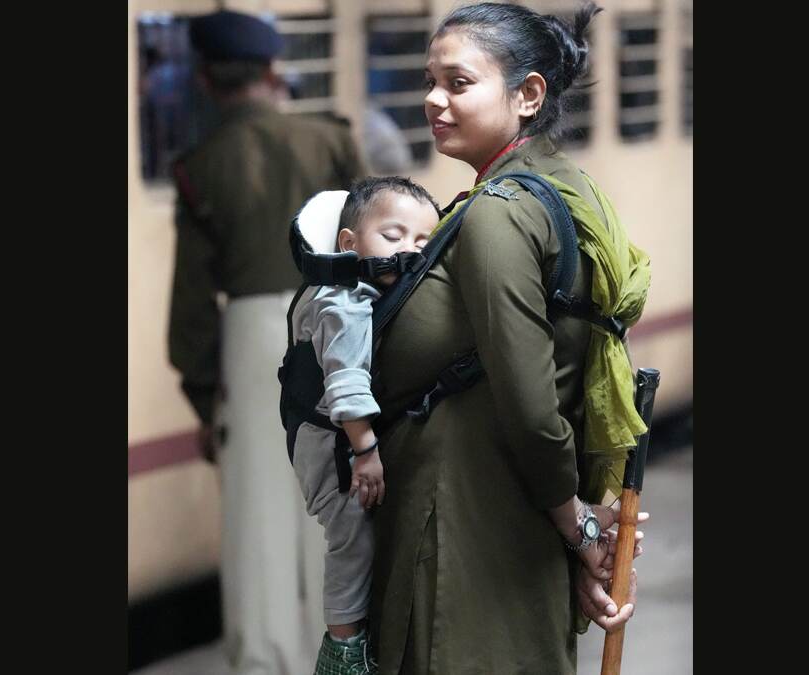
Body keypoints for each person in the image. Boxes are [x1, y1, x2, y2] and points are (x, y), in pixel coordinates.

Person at [365, 3, 652, 673]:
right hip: (503, 528)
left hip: (467, 537)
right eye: (429, 80)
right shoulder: (567, 187)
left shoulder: (500, 214)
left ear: (528, 95)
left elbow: (532, 403)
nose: (434, 99)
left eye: (458, 82)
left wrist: (579, 529)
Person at [166, 9, 367, 674]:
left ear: (204, 80)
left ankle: (265, 660)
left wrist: (206, 402)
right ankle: (342, 650)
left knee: (258, 520)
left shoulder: (201, 166)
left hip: (254, 341)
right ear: (274, 71)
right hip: (338, 322)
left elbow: (193, 308)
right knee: (335, 501)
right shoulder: (331, 141)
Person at [287, 177, 438, 674]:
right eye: (393, 237)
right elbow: (347, 385)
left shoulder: (344, 290)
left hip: (329, 436)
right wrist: (366, 451)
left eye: (422, 242)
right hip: (334, 443)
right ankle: (343, 648)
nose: (408, 252)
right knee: (353, 534)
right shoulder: (345, 302)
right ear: (348, 244)